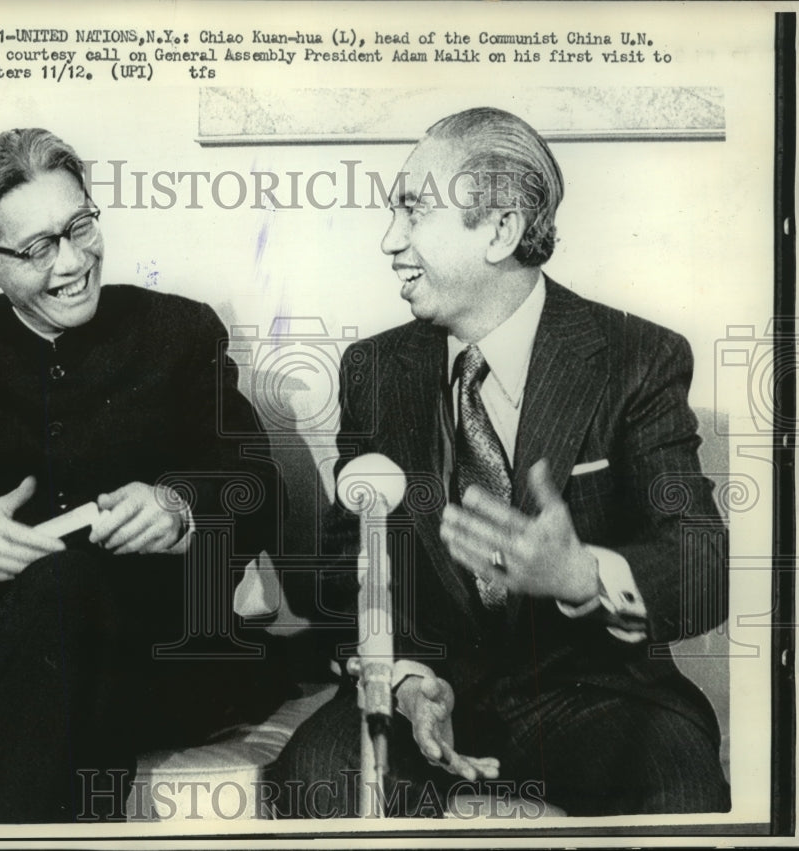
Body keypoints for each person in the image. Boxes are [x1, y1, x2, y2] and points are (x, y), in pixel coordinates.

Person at [272, 107, 730, 817]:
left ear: (500, 229)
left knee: (679, 783)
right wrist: (405, 679)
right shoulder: (374, 369)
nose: (390, 240)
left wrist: (584, 575)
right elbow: (343, 572)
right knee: (318, 782)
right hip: (432, 692)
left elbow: (702, 561)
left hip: (595, 696)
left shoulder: (637, 357)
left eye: (414, 210)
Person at [0, 128, 290, 823]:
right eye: (39, 247)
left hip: (155, 667)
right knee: (61, 603)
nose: (74, 262)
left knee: (69, 590)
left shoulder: (179, 332)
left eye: (79, 227)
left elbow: (257, 490)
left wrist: (180, 504)